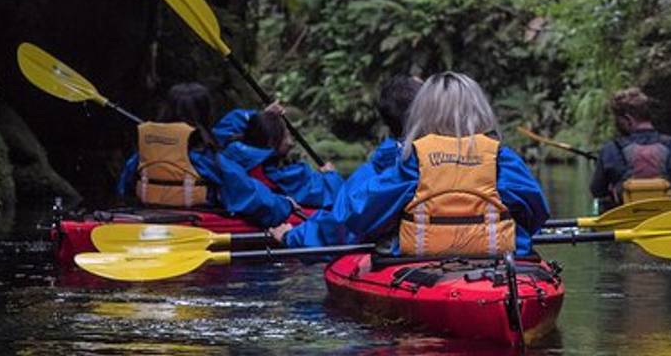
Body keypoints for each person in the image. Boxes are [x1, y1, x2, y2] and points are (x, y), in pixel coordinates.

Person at [272, 71, 549, 257]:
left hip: (422, 261)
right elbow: (537, 213)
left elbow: (357, 214)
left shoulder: (413, 159)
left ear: (424, 112)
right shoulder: (501, 156)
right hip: (500, 262)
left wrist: (293, 238)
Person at [115, 83, 299, 228]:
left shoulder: (142, 157)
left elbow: (124, 190)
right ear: (206, 115)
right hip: (198, 222)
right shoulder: (210, 162)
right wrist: (284, 204)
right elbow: (251, 197)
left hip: (150, 216)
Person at [273, 75, 422, 247]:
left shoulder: (381, 171)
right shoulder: (430, 159)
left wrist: (290, 236)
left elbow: (342, 218)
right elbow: (343, 220)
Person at [589, 87, 671, 210]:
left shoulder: (609, 150)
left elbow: (597, 191)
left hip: (625, 221)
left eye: (618, 120)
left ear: (628, 119)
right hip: (666, 219)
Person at [216, 104, 344, 209]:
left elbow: (226, 128)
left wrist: (261, 117)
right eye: (287, 136)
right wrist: (331, 175)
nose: (291, 143)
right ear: (272, 142)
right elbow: (334, 194)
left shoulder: (233, 154)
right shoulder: (284, 176)